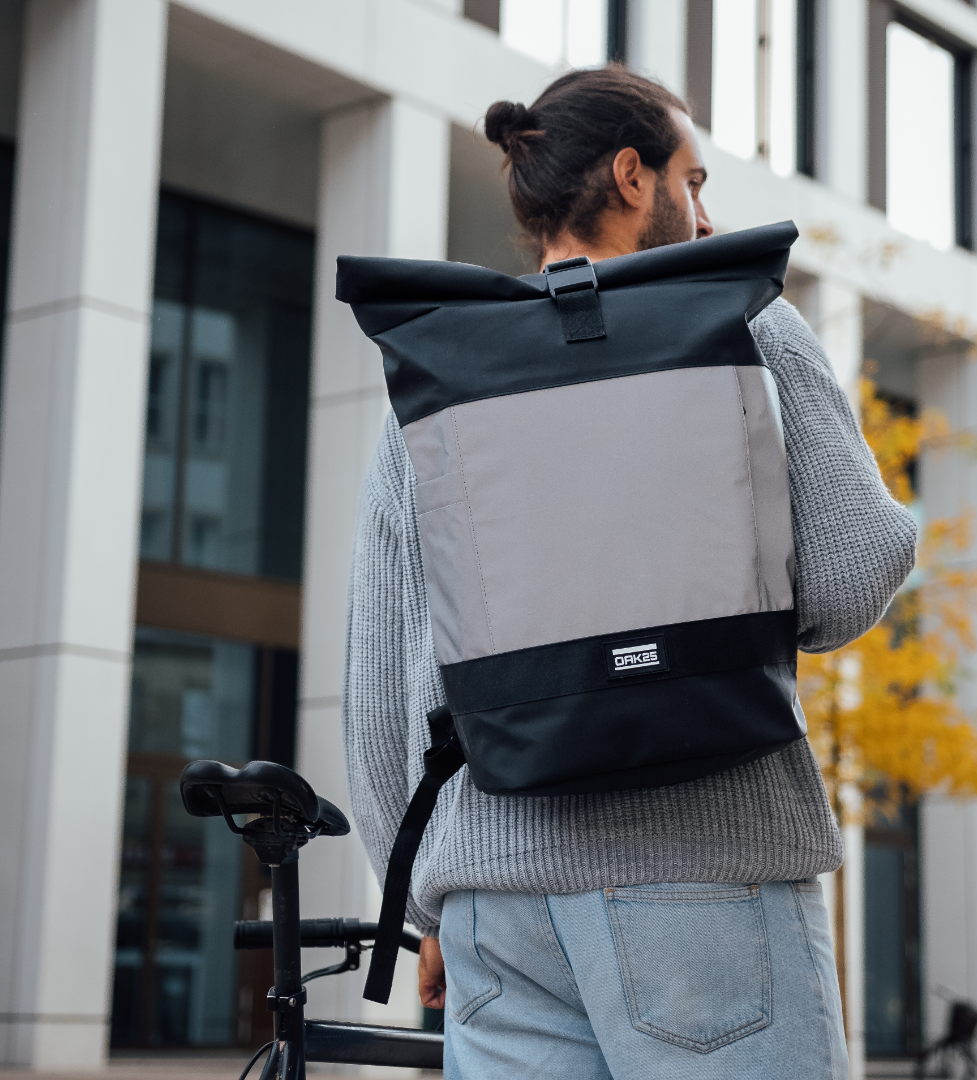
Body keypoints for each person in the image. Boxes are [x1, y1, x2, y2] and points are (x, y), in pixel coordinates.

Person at [343, 66, 916, 1080]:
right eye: (694, 183)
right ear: (630, 176)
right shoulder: (745, 324)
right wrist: (901, 529)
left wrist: (432, 902)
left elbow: (385, 702)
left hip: (495, 912)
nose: (706, 221)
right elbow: (847, 574)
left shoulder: (431, 386)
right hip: (708, 882)